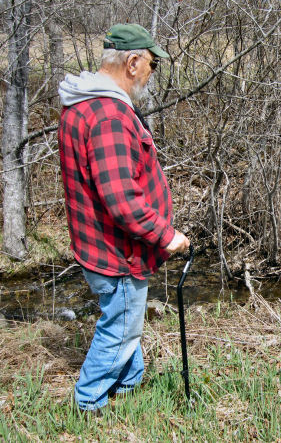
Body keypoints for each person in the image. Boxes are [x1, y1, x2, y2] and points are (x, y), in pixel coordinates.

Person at [57, 23, 190, 412]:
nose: (151, 73)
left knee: (125, 320)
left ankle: (129, 387)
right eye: (151, 64)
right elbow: (123, 202)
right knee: (120, 327)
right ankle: (89, 401)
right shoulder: (110, 116)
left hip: (95, 246)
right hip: (117, 255)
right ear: (132, 62)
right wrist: (166, 235)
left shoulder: (81, 104)